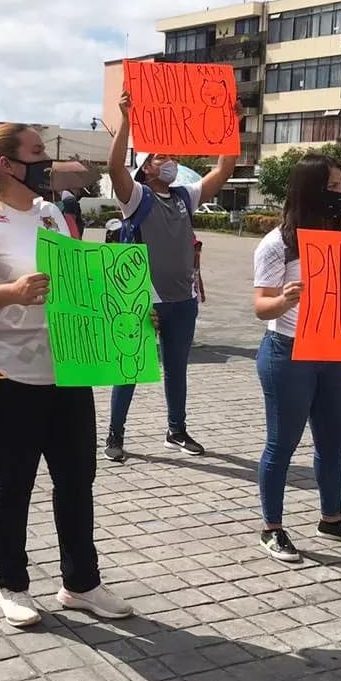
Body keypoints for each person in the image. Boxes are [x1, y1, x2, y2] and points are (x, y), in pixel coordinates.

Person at [0, 123, 131, 628]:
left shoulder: (51, 214)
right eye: (38, 152)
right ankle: (12, 585)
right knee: (15, 481)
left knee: (77, 479)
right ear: (8, 164)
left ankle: (81, 583)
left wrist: (125, 311)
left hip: (64, 365)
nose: (48, 162)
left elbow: (77, 286)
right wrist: (11, 293)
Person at [253, 155, 341, 561]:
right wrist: (284, 300)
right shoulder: (278, 244)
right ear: (311, 190)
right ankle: (272, 528)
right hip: (288, 353)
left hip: (333, 353)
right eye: (334, 186)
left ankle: (332, 519)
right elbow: (261, 306)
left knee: (333, 443)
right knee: (282, 445)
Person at [103, 90, 238, 462]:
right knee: (130, 368)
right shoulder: (136, 197)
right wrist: (126, 120)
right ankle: (115, 434)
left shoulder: (183, 196)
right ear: (146, 166)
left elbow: (223, 171)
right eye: (162, 156)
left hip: (183, 301)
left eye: (171, 156)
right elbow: (114, 168)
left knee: (177, 370)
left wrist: (232, 124)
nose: (171, 162)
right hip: (145, 301)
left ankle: (176, 431)